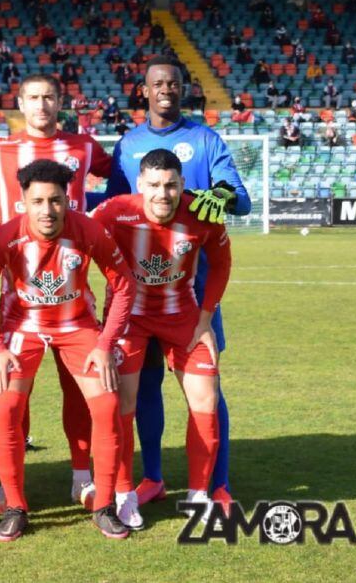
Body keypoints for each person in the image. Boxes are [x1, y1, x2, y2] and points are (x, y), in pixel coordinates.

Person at [104, 55, 251, 517]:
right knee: (142, 388)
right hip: (139, 295)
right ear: (144, 91)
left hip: (195, 289)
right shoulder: (128, 143)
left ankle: (216, 484)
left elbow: (238, 198)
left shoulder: (206, 139)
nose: (166, 88)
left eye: (174, 82)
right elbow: (112, 205)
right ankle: (151, 478)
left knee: (206, 389)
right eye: (157, 83)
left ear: (184, 89)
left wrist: (220, 196)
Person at [0, 159, 135, 541]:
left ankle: (105, 505)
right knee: (7, 408)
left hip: (77, 326)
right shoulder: (7, 236)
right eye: (38, 201)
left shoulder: (89, 231)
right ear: (23, 201)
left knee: (107, 406)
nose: (47, 210)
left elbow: (123, 284)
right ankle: (14, 506)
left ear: (68, 200)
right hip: (21, 328)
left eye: (56, 200)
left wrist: (106, 343)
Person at [91, 149, 230, 529]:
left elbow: (221, 264)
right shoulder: (114, 211)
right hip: (128, 319)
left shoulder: (202, 215)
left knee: (206, 399)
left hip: (182, 316)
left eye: (171, 185)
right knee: (122, 402)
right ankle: (125, 493)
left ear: (183, 184)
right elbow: (78, 244)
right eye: (154, 185)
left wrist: (205, 320)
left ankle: (198, 494)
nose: (162, 194)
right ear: (140, 184)